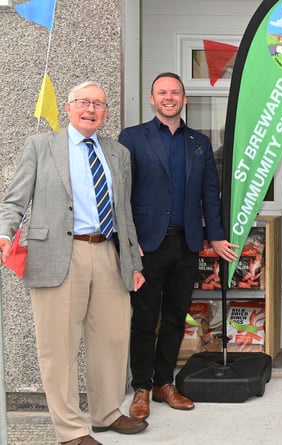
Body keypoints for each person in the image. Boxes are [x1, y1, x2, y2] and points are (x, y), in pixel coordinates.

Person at [0, 81, 148, 445]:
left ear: (106, 113)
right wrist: (5, 233)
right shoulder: (41, 146)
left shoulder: (118, 153)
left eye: (98, 104)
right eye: (83, 102)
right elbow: (14, 200)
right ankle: (70, 430)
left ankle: (107, 412)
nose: (91, 109)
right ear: (67, 107)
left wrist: (133, 262)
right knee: (58, 347)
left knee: (112, 338)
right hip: (57, 255)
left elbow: (124, 212)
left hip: (108, 252)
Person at [119, 72, 238, 420]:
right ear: (152, 99)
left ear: (185, 100)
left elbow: (209, 196)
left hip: (186, 245)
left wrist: (214, 236)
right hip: (146, 246)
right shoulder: (132, 138)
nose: (169, 97)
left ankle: (163, 382)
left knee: (174, 318)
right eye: (162, 92)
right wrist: (128, 242)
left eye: (175, 92)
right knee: (143, 320)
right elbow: (120, 194)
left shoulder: (198, 142)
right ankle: (140, 386)